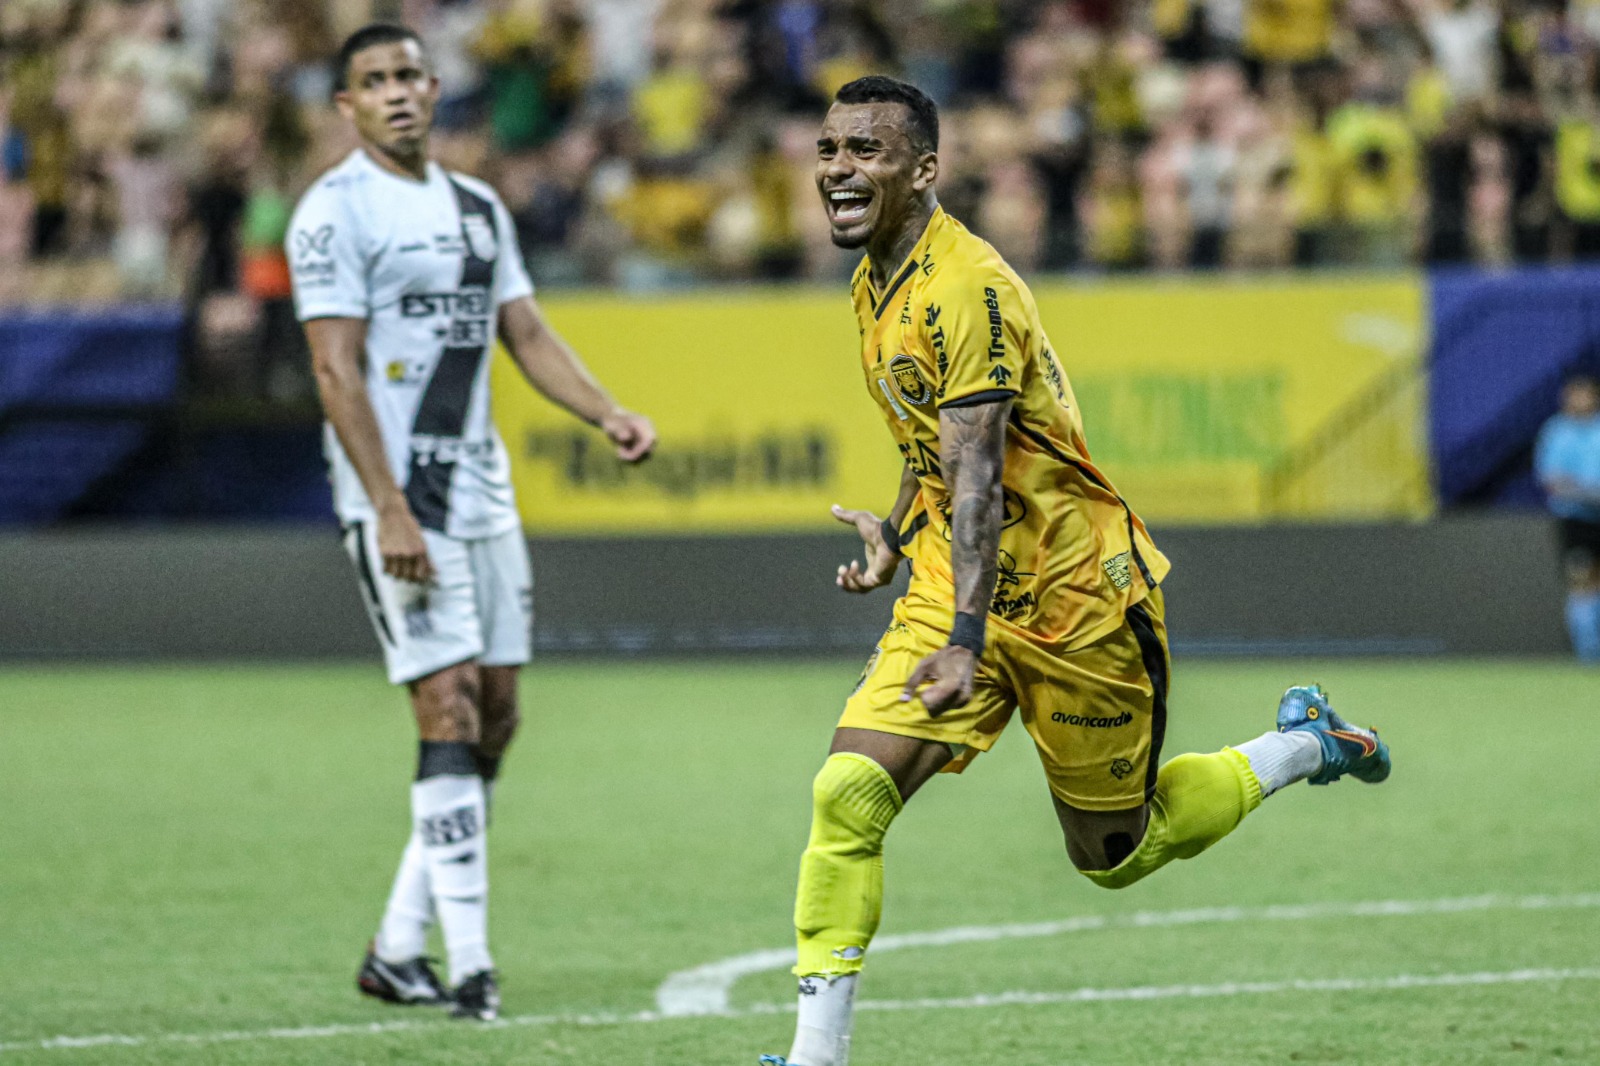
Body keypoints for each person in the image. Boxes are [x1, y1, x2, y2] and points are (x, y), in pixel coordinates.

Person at [758, 76, 1392, 1066]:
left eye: (866, 151)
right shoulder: (875, 277)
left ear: (923, 170)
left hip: (1077, 598)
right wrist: (893, 530)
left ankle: (1300, 747)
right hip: (951, 583)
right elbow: (938, 446)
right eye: (830, 149)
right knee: (848, 793)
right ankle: (815, 1057)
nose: (838, 169)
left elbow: (976, 476)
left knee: (1115, 854)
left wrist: (968, 641)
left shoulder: (967, 285)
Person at [287, 24, 655, 1022]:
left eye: (409, 75)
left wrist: (604, 410)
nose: (397, 92)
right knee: (443, 702)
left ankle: (398, 945)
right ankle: (473, 966)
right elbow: (335, 368)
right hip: (401, 502)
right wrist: (389, 506)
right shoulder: (331, 215)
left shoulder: (479, 207)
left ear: (435, 87)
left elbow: (524, 332)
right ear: (347, 107)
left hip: (483, 493)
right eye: (374, 81)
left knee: (496, 713)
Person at [1535, 372, 1600, 662]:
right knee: (1581, 578)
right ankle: (1587, 651)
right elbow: (1550, 479)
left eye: (1586, 394)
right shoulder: (1556, 431)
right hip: (1577, 520)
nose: (1581, 400)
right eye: (1575, 394)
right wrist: (1587, 494)